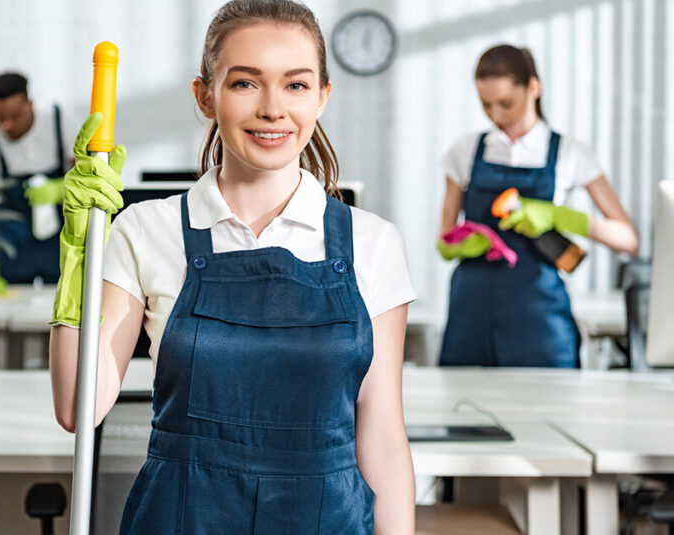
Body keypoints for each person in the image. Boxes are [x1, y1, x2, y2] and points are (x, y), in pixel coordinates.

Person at [49, 1, 416, 532]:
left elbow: (381, 434)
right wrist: (80, 259)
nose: (273, 109)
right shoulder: (144, 230)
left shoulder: (373, 243)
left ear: (322, 97)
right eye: (245, 83)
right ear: (205, 95)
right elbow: (77, 407)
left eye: (296, 85)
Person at [438, 45, 639, 369]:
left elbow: (627, 239)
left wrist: (560, 216)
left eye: (506, 103)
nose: (496, 115)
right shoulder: (465, 151)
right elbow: (443, 238)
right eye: (486, 105)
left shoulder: (570, 153)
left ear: (533, 88)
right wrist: (460, 243)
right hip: (470, 319)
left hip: (540, 323)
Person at [0, 71, 71, 284]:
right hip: (12, 242)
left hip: (60, 239)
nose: (7, 125)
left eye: (15, 116)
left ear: (30, 104)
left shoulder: (60, 121)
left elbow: (88, 172)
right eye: (1, 118)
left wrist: (60, 188)